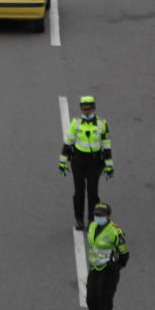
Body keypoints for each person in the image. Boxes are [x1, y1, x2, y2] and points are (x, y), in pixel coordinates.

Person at [58, 96, 113, 231]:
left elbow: (107, 146)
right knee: (79, 191)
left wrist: (109, 166)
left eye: (89, 109)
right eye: (84, 109)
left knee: (93, 192)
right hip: (78, 161)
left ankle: (92, 220)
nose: (86, 112)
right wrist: (62, 162)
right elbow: (68, 143)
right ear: (81, 109)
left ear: (94, 108)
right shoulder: (75, 123)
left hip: (95, 162)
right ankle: (79, 219)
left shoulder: (102, 124)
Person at [83, 203, 129, 310]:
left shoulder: (116, 232)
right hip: (95, 269)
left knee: (104, 304)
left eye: (101, 215)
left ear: (108, 216)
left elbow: (124, 254)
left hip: (108, 272)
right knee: (91, 300)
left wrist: (114, 266)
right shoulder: (92, 226)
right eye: (96, 214)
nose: (98, 217)